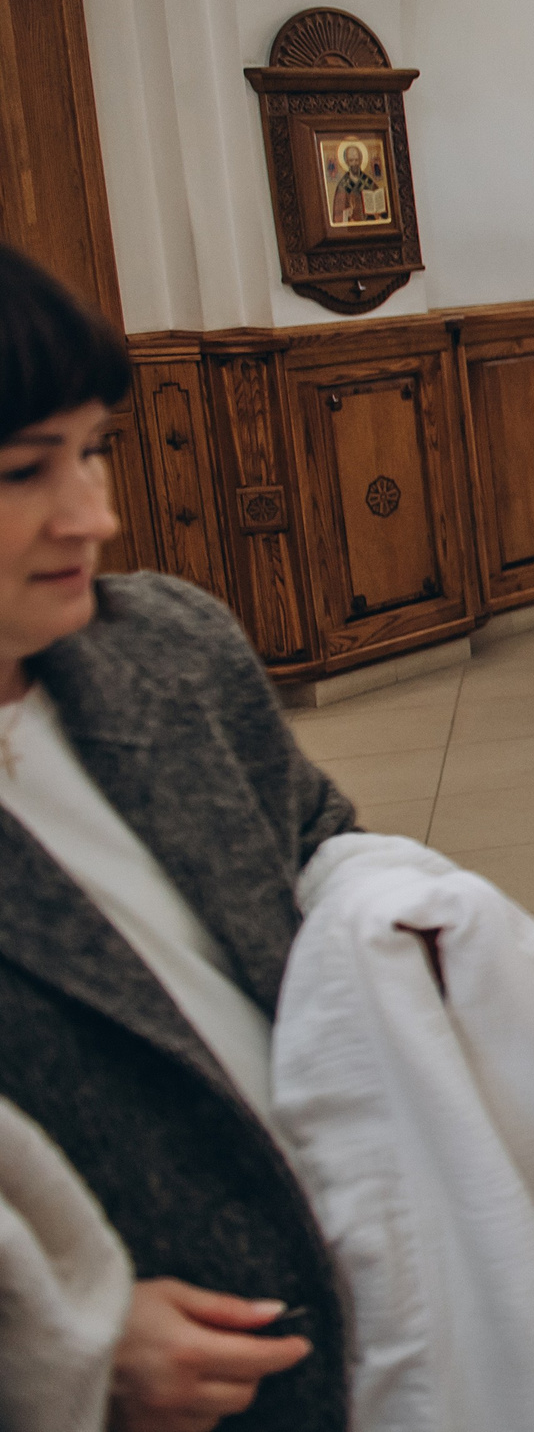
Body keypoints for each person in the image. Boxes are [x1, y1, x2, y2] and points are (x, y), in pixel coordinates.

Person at [0, 244, 348, 1431]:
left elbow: (319, 844)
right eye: (20, 470)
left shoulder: (170, 649)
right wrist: (61, 1335)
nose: (91, 514)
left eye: (93, 448)